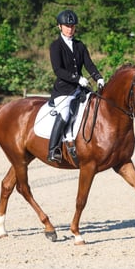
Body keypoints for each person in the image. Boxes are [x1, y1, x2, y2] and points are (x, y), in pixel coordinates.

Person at [47, 9, 105, 163]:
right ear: (60, 26)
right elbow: (58, 70)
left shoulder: (79, 45)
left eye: (72, 26)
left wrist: (98, 77)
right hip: (63, 90)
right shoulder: (55, 46)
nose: (70, 29)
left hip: (80, 89)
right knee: (65, 113)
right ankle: (53, 149)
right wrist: (77, 78)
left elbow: (89, 65)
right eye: (67, 26)